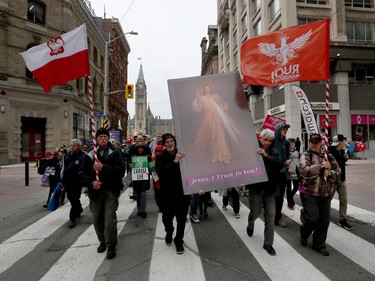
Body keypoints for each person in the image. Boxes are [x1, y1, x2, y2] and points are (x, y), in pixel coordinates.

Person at [79, 128, 125, 259]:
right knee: (97, 218)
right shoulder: (89, 154)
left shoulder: (116, 153)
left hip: (111, 189)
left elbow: (120, 171)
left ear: (108, 138)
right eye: (100, 137)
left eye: (105, 136)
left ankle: (111, 244)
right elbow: (82, 173)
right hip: (96, 191)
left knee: (110, 218)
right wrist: (92, 182)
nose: (103, 139)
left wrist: (103, 168)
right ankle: (102, 241)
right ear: (96, 139)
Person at [299, 133, 340, 256]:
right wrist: (321, 166)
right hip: (309, 193)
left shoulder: (329, 156)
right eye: (311, 141)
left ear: (321, 143)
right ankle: (304, 232)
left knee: (324, 221)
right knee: (312, 219)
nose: (313, 144)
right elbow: (305, 171)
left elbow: (338, 172)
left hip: (326, 194)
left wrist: (330, 173)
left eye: (316, 142)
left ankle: (319, 245)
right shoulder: (305, 155)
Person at [244, 129, 282, 256]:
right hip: (256, 188)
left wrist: (266, 155)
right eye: (265, 140)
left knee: (271, 215)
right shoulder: (252, 148)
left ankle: (268, 243)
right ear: (260, 138)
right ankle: (250, 224)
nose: (267, 143)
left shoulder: (273, 151)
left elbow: (278, 164)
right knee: (255, 211)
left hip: (270, 189)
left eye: (270, 141)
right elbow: (245, 166)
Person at [155, 133, 188, 254]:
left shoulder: (181, 153)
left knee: (182, 217)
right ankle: (169, 231)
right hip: (166, 192)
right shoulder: (160, 157)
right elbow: (161, 174)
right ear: (164, 144)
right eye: (167, 142)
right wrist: (175, 161)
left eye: (171, 141)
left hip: (181, 191)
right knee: (167, 218)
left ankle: (179, 241)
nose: (170, 144)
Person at [192, 82, 231, 164]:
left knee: (220, 136)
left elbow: (224, 104)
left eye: (208, 87)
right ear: (203, 89)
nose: (206, 89)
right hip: (208, 118)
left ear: (210, 88)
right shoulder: (202, 97)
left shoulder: (216, 96)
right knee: (212, 136)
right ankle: (215, 155)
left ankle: (225, 156)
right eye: (205, 88)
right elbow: (198, 108)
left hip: (217, 117)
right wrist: (198, 97)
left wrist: (219, 105)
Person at [328, 134, 353, 230]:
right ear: (340, 142)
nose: (345, 143)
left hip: (341, 179)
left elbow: (342, 163)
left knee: (344, 199)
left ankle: (342, 219)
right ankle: (322, 216)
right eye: (344, 141)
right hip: (332, 179)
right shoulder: (330, 151)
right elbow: (334, 164)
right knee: (327, 200)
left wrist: (346, 158)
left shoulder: (342, 151)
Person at [60, 139, 85, 228]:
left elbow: (83, 169)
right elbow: (62, 168)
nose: (71, 147)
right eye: (71, 145)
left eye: (73, 145)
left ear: (78, 146)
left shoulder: (82, 156)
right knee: (70, 197)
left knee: (75, 198)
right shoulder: (66, 156)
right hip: (67, 181)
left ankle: (72, 218)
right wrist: (61, 180)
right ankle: (79, 208)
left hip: (77, 181)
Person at [273, 122, 292, 227]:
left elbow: (288, 154)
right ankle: (272, 215)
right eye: (283, 129)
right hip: (273, 172)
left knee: (280, 196)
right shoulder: (272, 141)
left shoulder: (286, 142)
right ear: (278, 129)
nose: (285, 130)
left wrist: (289, 159)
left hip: (283, 172)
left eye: (286, 129)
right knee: (274, 195)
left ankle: (278, 216)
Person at [131, 141, 151, 218]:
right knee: (138, 195)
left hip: (144, 179)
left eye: (142, 148)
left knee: (143, 194)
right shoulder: (134, 157)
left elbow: (152, 166)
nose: (140, 150)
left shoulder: (147, 157)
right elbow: (130, 166)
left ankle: (143, 210)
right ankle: (139, 209)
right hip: (136, 179)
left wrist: (149, 170)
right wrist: (131, 166)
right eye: (139, 148)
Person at [286, 138, 300, 210]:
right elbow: (284, 161)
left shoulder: (297, 152)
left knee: (296, 187)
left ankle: (290, 197)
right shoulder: (286, 152)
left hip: (295, 172)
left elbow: (299, 161)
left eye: (293, 142)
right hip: (288, 171)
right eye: (291, 142)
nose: (292, 143)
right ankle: (290, 203)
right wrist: (287, 168)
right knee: (288, 188)